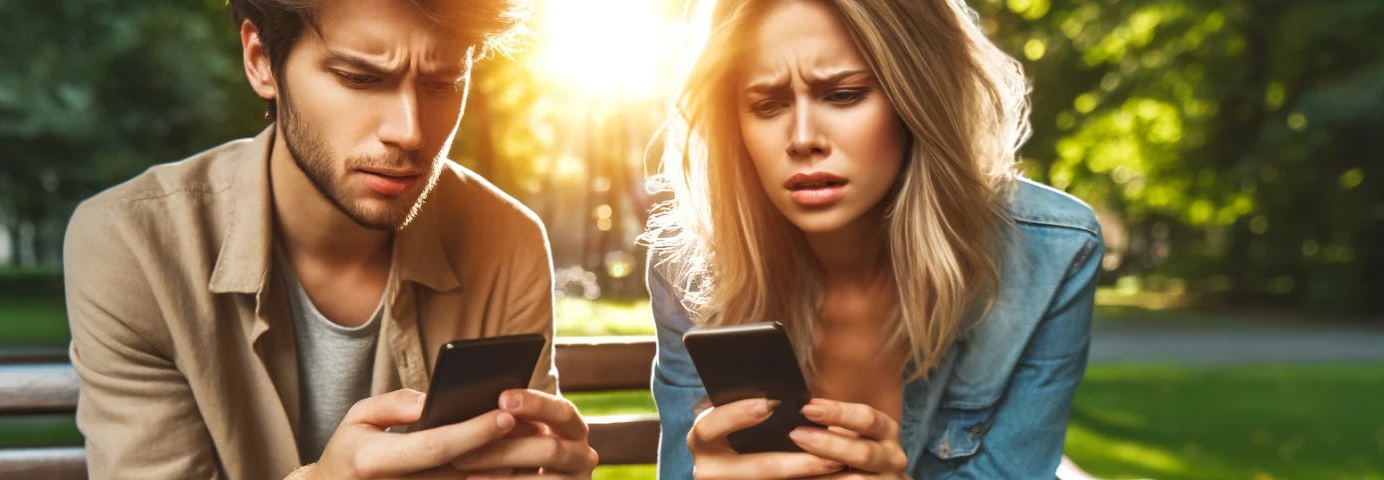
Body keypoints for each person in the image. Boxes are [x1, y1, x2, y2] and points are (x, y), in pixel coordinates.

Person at [61, 0, 598, 478]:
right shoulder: (132, 246)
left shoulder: (508, 240)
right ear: (261, 61)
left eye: (441, 82)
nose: (410, 131)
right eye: (360, 78)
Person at [643, 0, 1104, 478]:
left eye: (843, 95)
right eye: (768, 104)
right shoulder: (689, 264)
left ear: (918, 98)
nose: (803, 138)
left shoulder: (1052, 253)